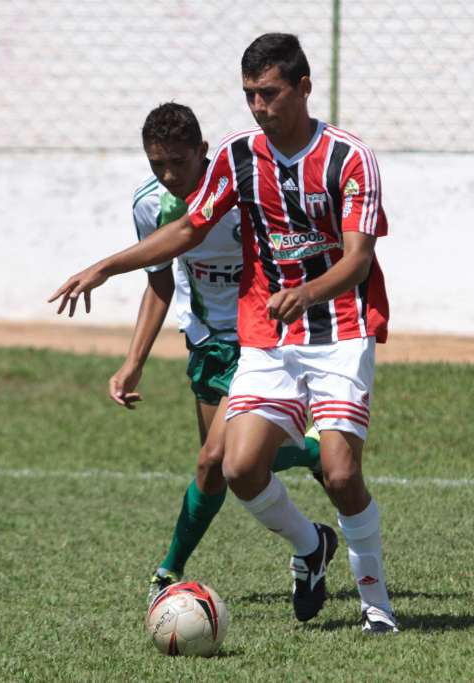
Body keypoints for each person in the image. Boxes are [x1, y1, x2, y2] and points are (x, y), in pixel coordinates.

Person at [49, 33, 397, 634]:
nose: (259, 107)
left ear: (304, 88)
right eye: (249, 95)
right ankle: (310, 546)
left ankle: (377, 608)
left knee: (341, 475)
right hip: (261, 332)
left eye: (270, 93)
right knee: (235, 467)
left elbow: (358, 259)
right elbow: (188, 231)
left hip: (337, 327)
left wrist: (308, 292)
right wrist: (107, 265)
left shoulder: (348, 156)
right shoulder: (239, 155)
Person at [112, 102, 322, 602]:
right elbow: (159, 282)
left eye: (178, 163)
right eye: (156, 164)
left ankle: (167, 570)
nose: (167, 176)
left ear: (203, 153)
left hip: (261, 337)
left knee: (213, 459)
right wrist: (133, 362)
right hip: (208, 344)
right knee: (229, 468)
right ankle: (316, 450)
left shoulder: (241, 194)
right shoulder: (149, 206)